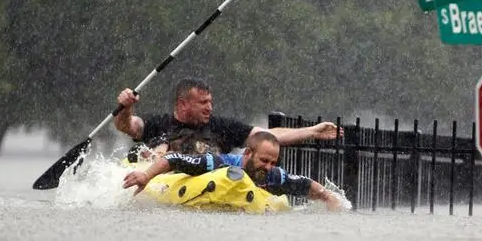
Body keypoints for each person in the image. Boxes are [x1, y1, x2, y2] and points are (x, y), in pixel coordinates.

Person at [115, 77, 342, 158]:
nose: (209, 108)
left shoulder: (221, 127)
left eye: (211, 102)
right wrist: (125, 107)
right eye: (203, 103)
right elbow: (127, 126)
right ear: (183, 104)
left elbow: (267, 136)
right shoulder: (158, 124)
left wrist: (312, 131)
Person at [122, 131, 344, 211]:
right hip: (185, 184)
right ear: (248, 153)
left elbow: (304, 183)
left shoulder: (272, 174)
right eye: (264, 160)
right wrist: (146, 176)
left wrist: (328, 197)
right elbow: (174, 158)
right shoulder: (218, 162)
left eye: (273, 162)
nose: (268, 167)